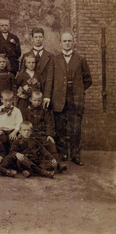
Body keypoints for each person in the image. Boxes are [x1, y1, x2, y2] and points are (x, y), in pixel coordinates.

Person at [52, 32, 92, 166]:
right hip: (59, 98)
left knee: (76, 128)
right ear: (61, 43)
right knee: (61, 127)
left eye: (69, 41)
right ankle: (62, 153)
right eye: (64, 41)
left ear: (73, 42)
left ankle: (76, 155)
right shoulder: (55, 59)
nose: (67, 43)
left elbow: (88, 79)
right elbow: (51, 79)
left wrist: (78, 90)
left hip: (75, 98)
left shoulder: (81, 59)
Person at [22, 91, 67, 173]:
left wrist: (49, 135)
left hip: (42, 134)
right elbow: (24, 124)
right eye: (35, 100)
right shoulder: (26, 111)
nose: (37, 102)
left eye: (39, 100)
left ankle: (59, 163)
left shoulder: (45, 111)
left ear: (42, 100)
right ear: (30, 99)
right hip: (31, 135)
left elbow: (49, 124)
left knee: (50, 143)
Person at [20, 28, 54, 108]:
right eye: (35, 37)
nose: (38, 39)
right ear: (32, 39)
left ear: (43, 38)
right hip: (28, 94)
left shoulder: (50, 56)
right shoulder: (26, 55)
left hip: (43, 92)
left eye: (40, 37)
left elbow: (50, 78)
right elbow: (21, 75)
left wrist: (47, 96)